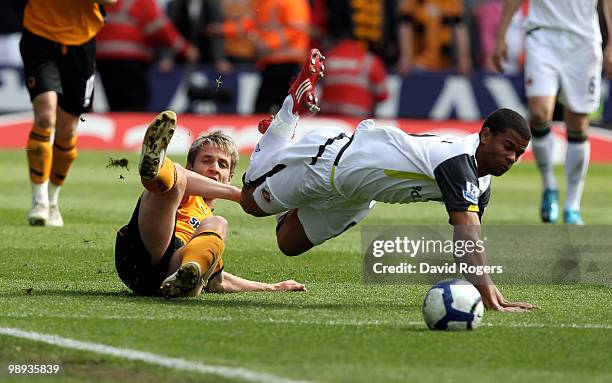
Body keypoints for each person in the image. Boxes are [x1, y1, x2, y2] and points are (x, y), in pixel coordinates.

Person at [241, 49, 536, 312]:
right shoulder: (458, 160)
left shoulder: (481, 184)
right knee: (250, 202)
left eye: (519, 153)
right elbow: (468, 236)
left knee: (288, 243)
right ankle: (288, 114)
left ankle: (281, 164)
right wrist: (488, 296)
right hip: (332, 162)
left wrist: (492, 292)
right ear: (486, 135)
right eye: (507, 146)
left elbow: (467, 247)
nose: (511, 158)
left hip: (358, 197)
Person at [115, 111, 305, 297]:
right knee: (175, 179)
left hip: (170, 273)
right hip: (139, 255)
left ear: (229, 177)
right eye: (207, 161)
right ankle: (155, 169)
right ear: (192, 167)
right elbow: (181, 177)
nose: (214, 168)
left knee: (218, 224)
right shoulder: (186, 191)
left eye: (222, 165)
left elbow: (218, 281)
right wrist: (239, 195)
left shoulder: (210, 228)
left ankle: (190, 275)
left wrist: (271, 288)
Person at [493, 0, 612, 225]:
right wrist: (501, 36)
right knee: (539, 114)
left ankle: (572, 205)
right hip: (542, 37)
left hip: (583, 41)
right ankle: (549, 186)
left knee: (577, 124)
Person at [21, 0, 118, 227]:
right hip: (39, 34)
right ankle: (39, 199)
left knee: (66, 131)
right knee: (45, 116)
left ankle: (53, 200)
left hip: (81, 42)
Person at [96, 0, 200, 111]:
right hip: (130, 59)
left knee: (117, 104)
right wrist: (186, 49)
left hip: (103, 57)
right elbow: (159, 27)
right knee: (134, 106)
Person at [319, 37, 388, 117]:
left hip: (327, 117)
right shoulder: (369, 60)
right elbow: (383, 94)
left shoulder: (327, 57)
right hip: (357, 118)